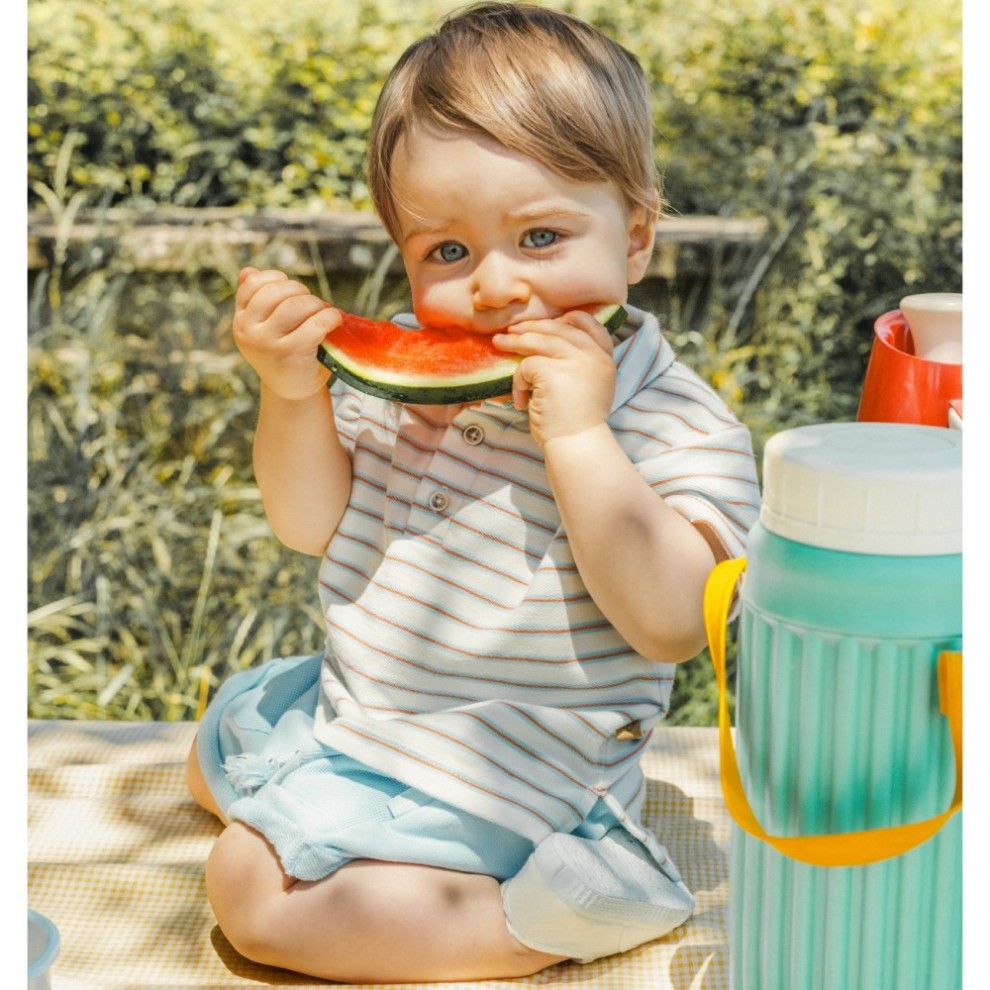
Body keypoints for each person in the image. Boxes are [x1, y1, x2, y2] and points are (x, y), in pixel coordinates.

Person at [186, 2, 760, 982]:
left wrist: (578, 436)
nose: (494, 288)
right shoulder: (411, 381)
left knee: (250, 895)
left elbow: (672, 623)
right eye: (447, 252)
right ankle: (333, 807)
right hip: (375, 712)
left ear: (635, 238)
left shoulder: (673, 420)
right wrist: (291, 395)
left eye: (540, 236)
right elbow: (305, 523)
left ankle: (564, 911)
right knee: (219, 734)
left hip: (513, 766)